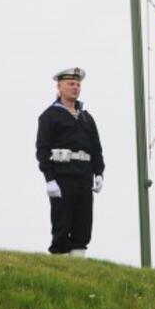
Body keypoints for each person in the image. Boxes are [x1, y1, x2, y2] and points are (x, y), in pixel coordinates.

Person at [36, 67, 105, 257]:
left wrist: (99, 173)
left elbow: (96, 148)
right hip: (62, 177)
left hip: (84, 176)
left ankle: (78, 267)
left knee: (83, 225)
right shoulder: (49, 116)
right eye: (71, 84)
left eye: (78, 84)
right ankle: (59, 263)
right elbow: (42, 150)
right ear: (59, 87)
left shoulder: (86, 118)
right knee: (62, 223)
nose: (75, 88)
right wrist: (49, 179)